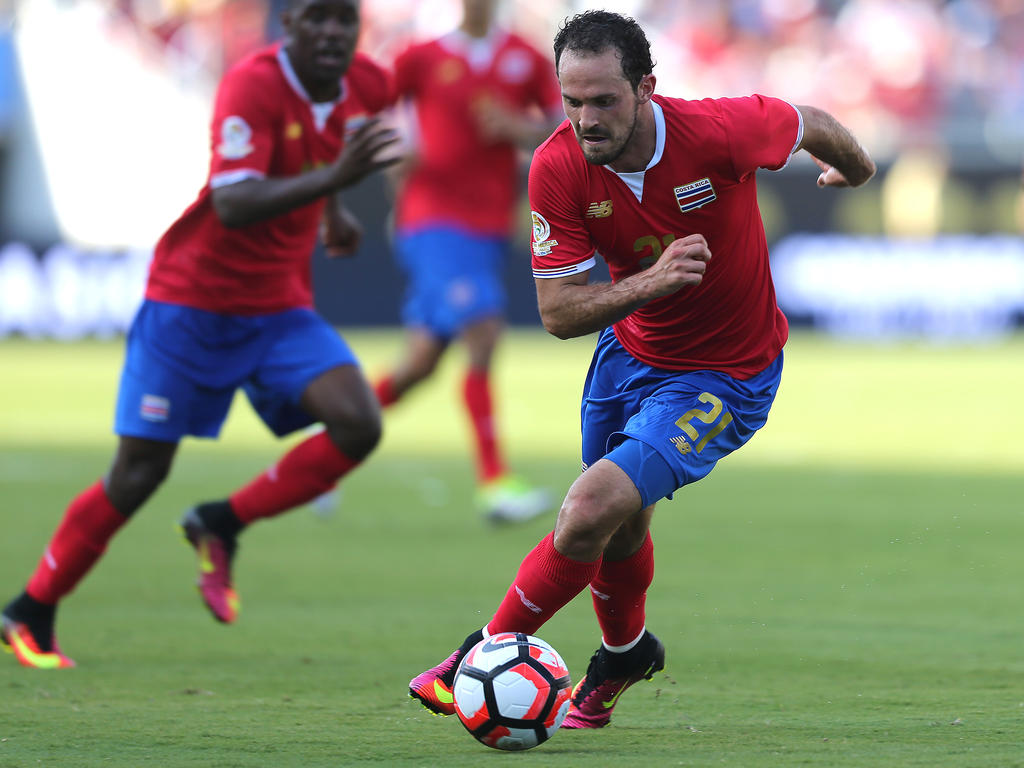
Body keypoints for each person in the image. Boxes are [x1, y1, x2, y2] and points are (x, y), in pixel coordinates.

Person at [408, 10, 875, 728]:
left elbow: (806, 119)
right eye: (571, 101)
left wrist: (857, 167)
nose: (586, 119)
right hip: (628, 355)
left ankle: (481, 649)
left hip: (727, 375)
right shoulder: (559, 167)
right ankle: (625, 653)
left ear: (646, 87)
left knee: (589, 507)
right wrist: (651, 283)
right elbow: (560, 313)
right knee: (616, 529)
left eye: (603, 100)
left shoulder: (720, 131)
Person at [0, 0, 399, 669]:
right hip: (193, 303)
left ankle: (221, 521)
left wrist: (331, 211)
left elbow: (331, 141)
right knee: (139, 472)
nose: (332, 32)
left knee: (358, 421)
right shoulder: (253, 85)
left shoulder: (367, 82)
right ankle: (30, 609)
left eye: (343, 19)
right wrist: (334, 184)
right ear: (287, 24)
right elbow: (232, 202)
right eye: (316, 18)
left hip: (276, 308)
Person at [371, 0, 563, 522]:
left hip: (486, 226)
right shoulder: (421, 57)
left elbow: (562, 128)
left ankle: (329, 440)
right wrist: (396, 157)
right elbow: (370, 115)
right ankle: (495, 483)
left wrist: (515, 127)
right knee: (483, 328)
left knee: (420, 364)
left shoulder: (524, 57)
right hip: (431, 220)